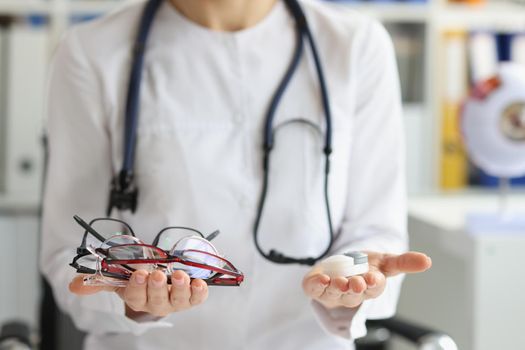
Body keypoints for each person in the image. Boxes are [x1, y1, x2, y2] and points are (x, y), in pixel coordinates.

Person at [40, 0, 431, 349]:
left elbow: (374, 228)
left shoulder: (355, 45)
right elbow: (71, 250)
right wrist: (128, 300)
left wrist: (352, 283)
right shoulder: (92, 52)